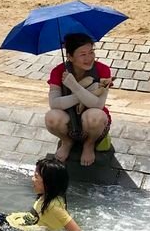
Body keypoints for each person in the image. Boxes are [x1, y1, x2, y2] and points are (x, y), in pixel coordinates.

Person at [45, 32, 113, 166]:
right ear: (70, 56)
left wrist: (75, 86)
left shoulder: (103, 70)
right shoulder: (58, 72)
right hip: (69, 124)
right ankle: (67, 142)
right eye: (83, 54)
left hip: (95, 125)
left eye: (91, 52)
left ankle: (89, 145)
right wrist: (86, 90)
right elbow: (54, 104)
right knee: (51, 117)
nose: (89, 58)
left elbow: (98, 104)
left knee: (95, 116)